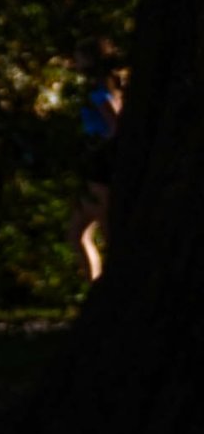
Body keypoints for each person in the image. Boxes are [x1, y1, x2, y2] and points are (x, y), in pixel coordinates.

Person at [69, 37, 123, 281]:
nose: (75, 62)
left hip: (100, 163)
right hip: (95, 161)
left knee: (104, 222)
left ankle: (112, 283)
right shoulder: (105, 88)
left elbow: (115, 125)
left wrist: (97, 146)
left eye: (79, 57)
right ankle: (96, 284)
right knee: (78, 232)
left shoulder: (99, 92)